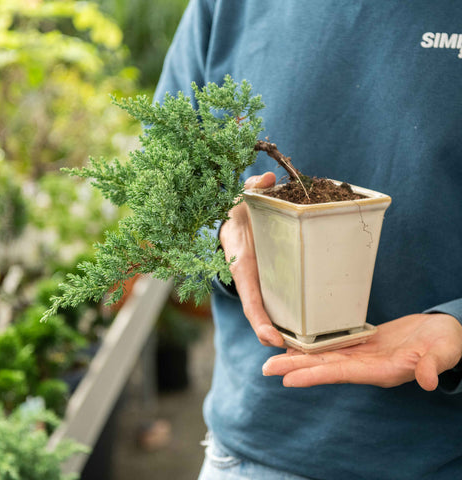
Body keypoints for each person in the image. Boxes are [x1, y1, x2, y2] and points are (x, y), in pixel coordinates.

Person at [153, 1, 462, 479]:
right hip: (253, 454)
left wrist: (459, 322)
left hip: (439, 457)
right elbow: (161, 172)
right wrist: (217, 229)